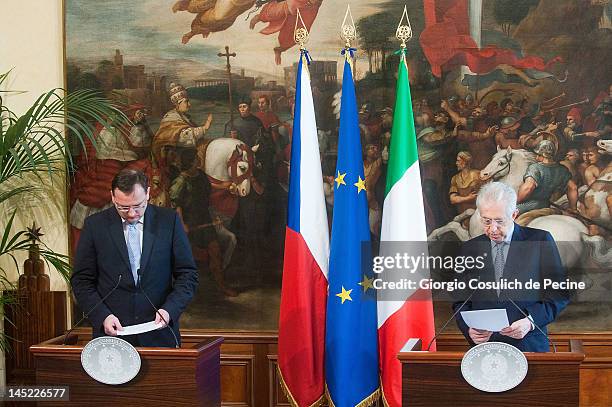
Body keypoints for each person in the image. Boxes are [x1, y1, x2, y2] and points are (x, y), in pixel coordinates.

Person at [71, 169, 198, 347]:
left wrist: (169, 310)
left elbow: (187, 275)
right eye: (123, 207)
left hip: (159, 335)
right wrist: (102, 316)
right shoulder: (95, 226)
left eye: (138, 206)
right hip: (112, 337)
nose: (131, 213)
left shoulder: (169, 222)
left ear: (147, 193)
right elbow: (81, 281)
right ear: (113, 197)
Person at [453, 182, 569, 352]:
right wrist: (469, 329)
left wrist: (530, 322)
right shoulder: (470, 249)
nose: (492, 229)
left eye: (499, 221)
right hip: (484, 350)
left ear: (514, 214)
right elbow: (460, 300)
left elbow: (559, 295)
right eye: (486, 221)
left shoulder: (540, 241)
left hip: (529, 346)